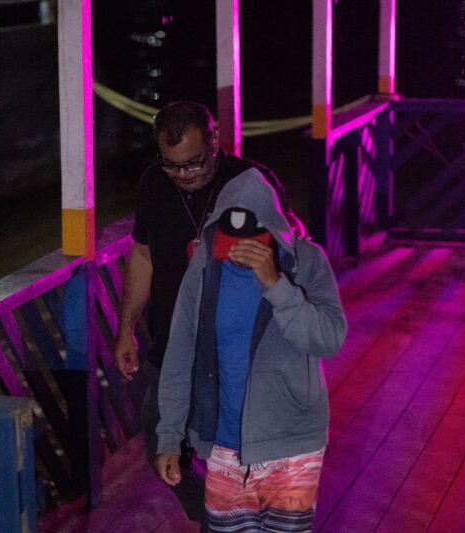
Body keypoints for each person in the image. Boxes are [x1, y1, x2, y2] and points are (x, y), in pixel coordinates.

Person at [114, 100, 294, 528]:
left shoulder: (250, 181)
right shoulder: (154, 182)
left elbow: (292, 249)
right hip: (173, 341)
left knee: (232, 453)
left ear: (214, 141)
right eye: (173, 165)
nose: (184, 175)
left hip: (236, 349)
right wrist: (125, 329)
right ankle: (217, 514)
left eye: (194, 163)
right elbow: (142, 254)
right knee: (160, 440)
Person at [154, 168, 346, 532]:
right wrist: (170, 436)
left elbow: (329, 339)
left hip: (290, 442)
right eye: (228, 242)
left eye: (251, 243)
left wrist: (277, 285)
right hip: (224, 443)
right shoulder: (206, 265)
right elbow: (180, 353)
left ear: (272, 230)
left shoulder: (305, 261)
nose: (238, 254)